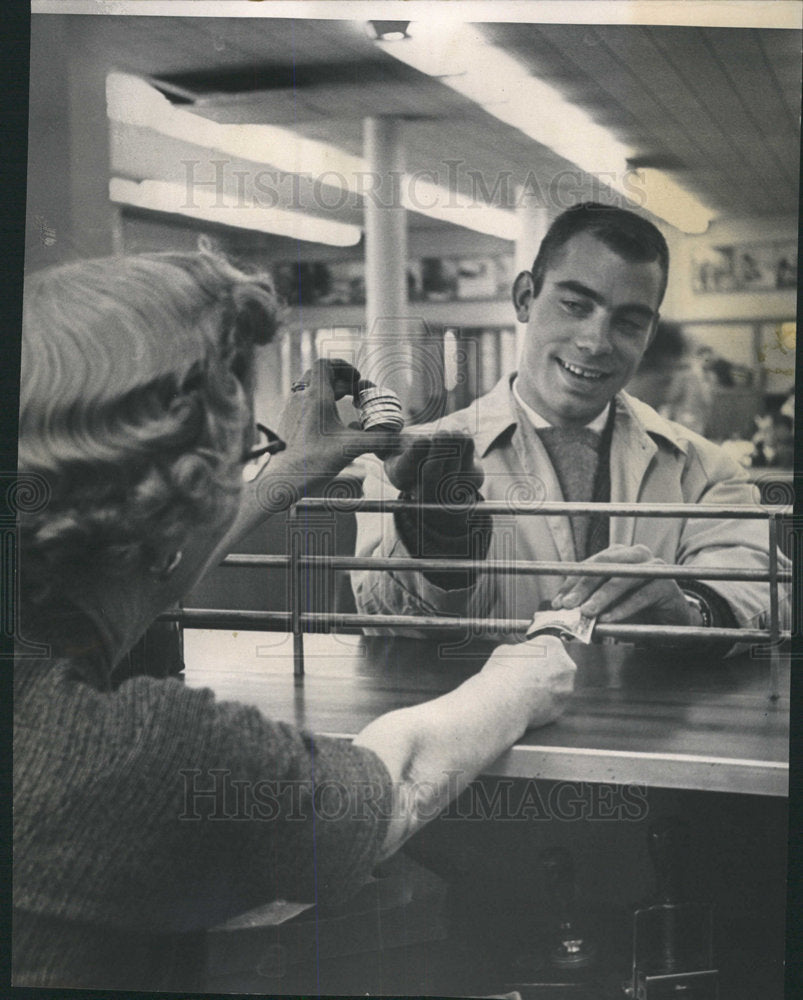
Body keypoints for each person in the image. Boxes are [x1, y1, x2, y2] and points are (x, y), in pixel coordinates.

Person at [14, 251, 577, 990]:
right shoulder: (144, 752)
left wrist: (284, 473)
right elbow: (389, 790)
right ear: (188, 488)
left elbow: (136, 570)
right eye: (244, 448)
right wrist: (525, 671)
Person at [352, 203, 784, 638]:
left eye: (629, 323)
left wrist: (692, 612)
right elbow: (384, 624)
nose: (595, 342)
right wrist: (437, 551)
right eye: (576, 305)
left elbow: (760, 589)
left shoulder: (704, 471)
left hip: (648, 706)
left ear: (649, 334)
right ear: (525, 298)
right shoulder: (411, 464)